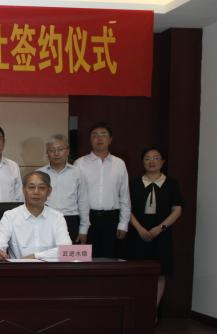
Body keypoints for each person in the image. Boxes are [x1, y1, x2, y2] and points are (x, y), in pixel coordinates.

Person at [128, 147, 183, 311]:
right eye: (147, 158)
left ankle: (153, 311)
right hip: (137, 234)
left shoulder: (172, 184)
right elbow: (127, 209)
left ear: (162, 162)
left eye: (156, 158)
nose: (151, 161)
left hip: (162, 234)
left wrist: (161, 227)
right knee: (137, 272)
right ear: (142, 162)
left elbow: (177, 210)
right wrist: (139, 229)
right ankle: (138, 309)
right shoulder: (134, 184)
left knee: (160, 272)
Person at [74, 122, 130, 258]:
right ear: (90, 140)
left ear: (110, 140)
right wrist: (82, 226)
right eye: (95, 135)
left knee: (110, 260)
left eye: (103, 135)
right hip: (87, 218)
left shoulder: (119, 164)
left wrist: (123, 224)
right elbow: (75, 196)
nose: (99, 138)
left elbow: (124, 196)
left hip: (112, 219)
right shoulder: (79, 163)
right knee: (86, 260)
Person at [0, 171, 72, 261]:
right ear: (23, 190)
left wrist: (36, 256)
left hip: (50, 268)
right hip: (19, 268)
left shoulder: (57, 217)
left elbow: (67, 250)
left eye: (41, 188)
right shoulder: (10, 216)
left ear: (49, 191)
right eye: (31, 187)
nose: (36, 192)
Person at [38, 134, 90, 243]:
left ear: (67, 151)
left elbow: (83, 201)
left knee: (68, 252)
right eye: (52, 150)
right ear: (47, 153)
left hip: (70, 220)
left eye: (60, 149)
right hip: (44, 219)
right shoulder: (39, 174)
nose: (56, 153)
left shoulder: (77, 173)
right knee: (45, 252)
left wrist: (83, 229)